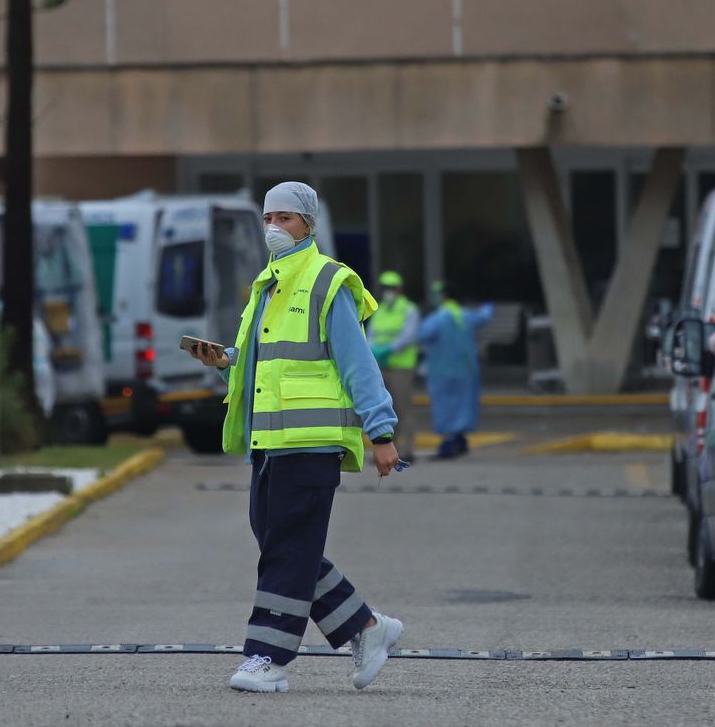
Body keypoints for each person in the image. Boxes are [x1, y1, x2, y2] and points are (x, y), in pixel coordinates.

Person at [186, 180, 405, 694]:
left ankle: (267, 657)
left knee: (286, 550)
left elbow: (358, 364)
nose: (273, 228)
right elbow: (267, 367)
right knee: (283, 543)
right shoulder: (267, 284)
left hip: (312, 442)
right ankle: (366, 627)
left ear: (308, 223)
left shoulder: (329, 281)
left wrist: (382, 432)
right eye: (267, 219)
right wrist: (226, 364)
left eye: (284, 218)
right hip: (268, 444)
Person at [418, 281, 494, 459]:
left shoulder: (437, 318)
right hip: (466, 371)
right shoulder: (467, 316)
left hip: (442, 371)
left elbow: (422, 335)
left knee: (445, 408)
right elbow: (484, 316)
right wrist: (489, 305)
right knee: (464, 405)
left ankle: (449, 443)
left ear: (443, 296)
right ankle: (460, 439)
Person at [367, 270, 420, 462]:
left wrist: (389, 349)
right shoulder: (379, 310)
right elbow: (371, 334)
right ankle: (389, 450)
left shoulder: (408, 309)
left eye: (390, 287)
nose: (387, 291)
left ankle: (407, 450)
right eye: (384, 287)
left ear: (399, 289)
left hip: (400, 367)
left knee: (403, 409)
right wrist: (375, 351)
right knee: (384, 410)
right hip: (381, 366)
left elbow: (409, 335)